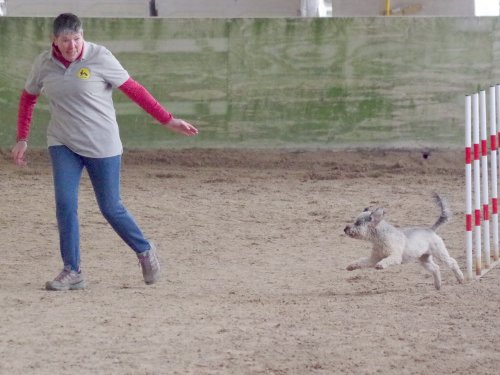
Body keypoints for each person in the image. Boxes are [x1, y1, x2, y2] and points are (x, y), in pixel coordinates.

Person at [11, 13, 198, 291]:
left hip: (102, 144)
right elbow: (29, 97)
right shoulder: (44, 63)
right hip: (63, 142)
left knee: (110, 207)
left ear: (82, 36)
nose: (72, 46)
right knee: (65, 204)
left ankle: (144, 250)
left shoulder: (100, 57)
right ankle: (72, 270)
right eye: (66, 41)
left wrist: (167, 119)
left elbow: (133, 89)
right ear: (55, 41)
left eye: (77, 39)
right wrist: (22, 138)